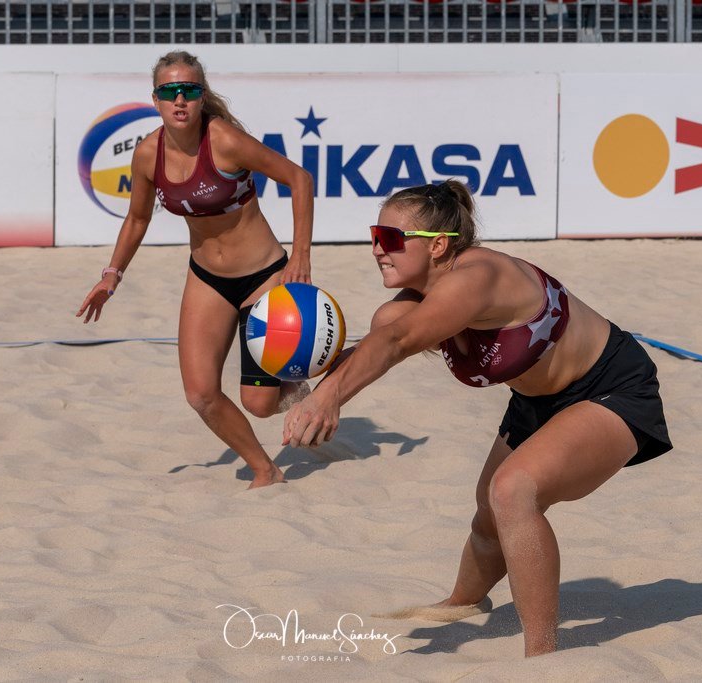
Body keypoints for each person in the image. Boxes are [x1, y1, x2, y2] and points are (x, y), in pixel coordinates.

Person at [283, 180, 671, 655]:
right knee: (489, 509)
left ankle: (543, 655)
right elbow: (377, 344)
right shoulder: (410, 305)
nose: (378, 250)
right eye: (374, 237)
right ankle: (463, 602)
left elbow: (397, 344)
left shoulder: (477, 277)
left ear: (438, 246)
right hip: (536, 401)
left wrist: (330, 399)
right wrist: (295, 384)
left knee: (512, 491)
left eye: (390, 238)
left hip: (613, 387)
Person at [78, 50, 314, 489]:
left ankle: (307, 382)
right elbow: (137, 219)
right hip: (207, 279)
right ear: (155, 99)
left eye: (189, 89)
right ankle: (265, 470)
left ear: (202, 96)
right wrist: (112, 274)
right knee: (200, 394)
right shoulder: (148, 154)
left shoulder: (223, 140)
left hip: (264, 275)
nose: (179, 99)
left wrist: (300, 255)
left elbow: (299, 179)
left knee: (259, 404)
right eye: (169, 91)